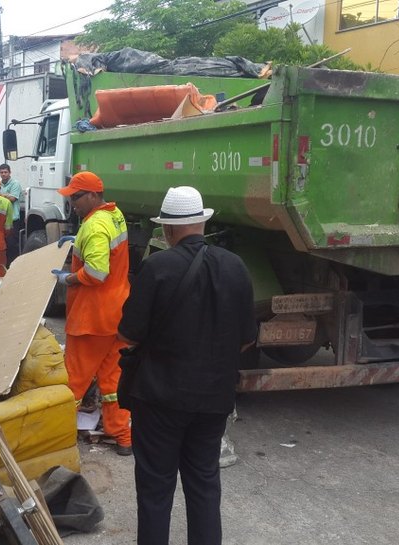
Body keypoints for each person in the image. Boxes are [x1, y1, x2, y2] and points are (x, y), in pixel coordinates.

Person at [117, 186, 256, 545]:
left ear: (167, 228)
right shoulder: (235, 266)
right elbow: (246, 338)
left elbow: (128, 335)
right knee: (204, 483)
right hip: (214, 399)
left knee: (155, 489)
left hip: (159, 399)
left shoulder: (157, 267)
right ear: (202, 223)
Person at [49, 171, 132, 456]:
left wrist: (68, 279)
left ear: (94, 195)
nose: (72, 203)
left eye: (77, 197)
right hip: (117, 312)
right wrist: (79, 240)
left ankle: (57, 437)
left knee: (74, 380)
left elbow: (97, 273)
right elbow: (107, 249)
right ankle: (123, 437)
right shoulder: (114, 214)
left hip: (91, 318)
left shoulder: (95, 226)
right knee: (113, 380)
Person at [0, 163, 23, 265]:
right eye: (1, 172)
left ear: (10, 172)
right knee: (2, 244)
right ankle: (3, 265)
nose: (3, 174)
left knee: (12, 245)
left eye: (5, 172)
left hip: (13, 219)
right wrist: (6, 195)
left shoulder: (15, 184)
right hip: (1, 220)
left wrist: (0, 196)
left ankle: (12, 266)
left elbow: (12, 198)